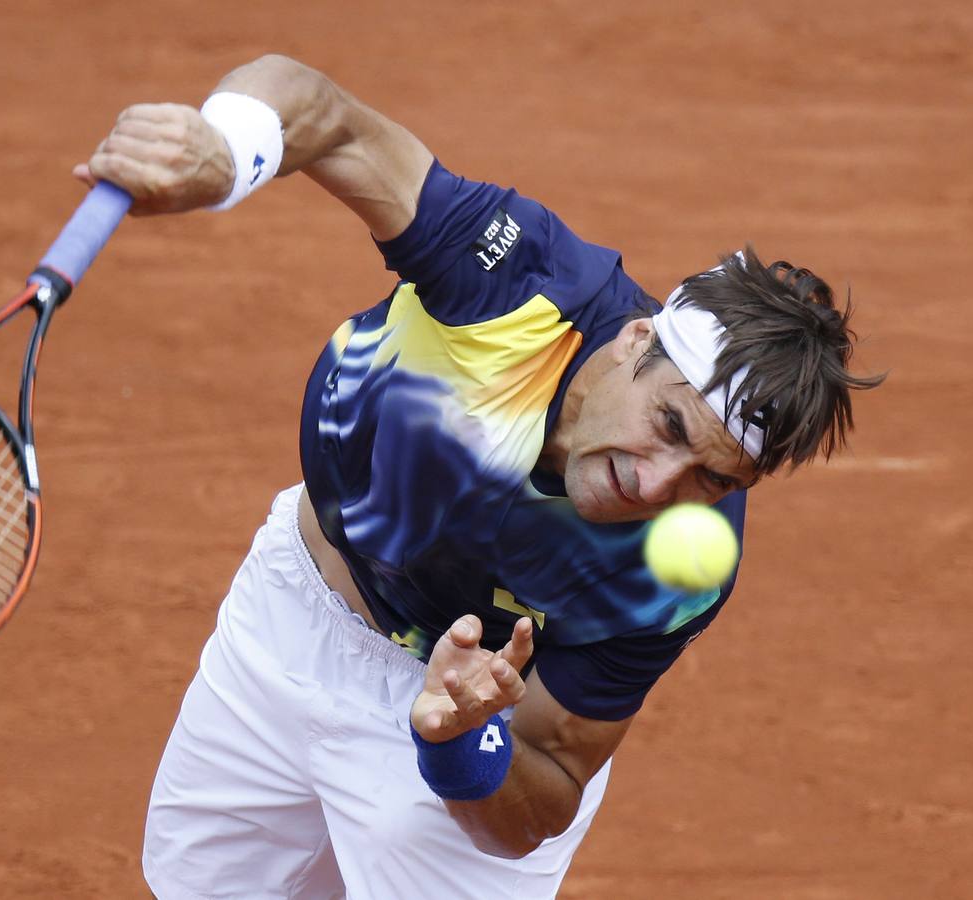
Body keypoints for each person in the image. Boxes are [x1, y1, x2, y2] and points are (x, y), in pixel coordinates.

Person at [73, 54, 884, 898]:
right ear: (637, 340)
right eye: (669, 426)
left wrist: (462, 745)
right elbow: (326, 117)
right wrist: (223, 150)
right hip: (292, 619)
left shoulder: (673, 574)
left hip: (476, 700)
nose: (657, 486)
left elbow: (545, 787)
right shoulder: (517, 284)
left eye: (711, 479)